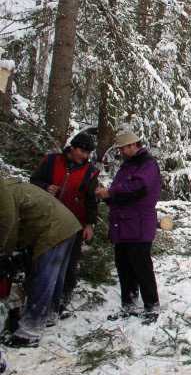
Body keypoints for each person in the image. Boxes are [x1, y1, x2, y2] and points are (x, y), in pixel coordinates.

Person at [0, 175, 81, 348]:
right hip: (66, 224)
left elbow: (9, 228)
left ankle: (31, 330)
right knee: (54, 277)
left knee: (43, 278)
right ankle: (49, 313)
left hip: (53, 229)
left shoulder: (4, 197)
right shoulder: (11, 188)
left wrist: (4, 255)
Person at [95, 129, 161, 325]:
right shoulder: (128, 165)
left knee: (141, 267)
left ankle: (151, 305)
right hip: (123, 223)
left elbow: (138, 188)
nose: (120, 152)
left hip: (138, 223)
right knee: (124, 266)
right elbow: (122, 191)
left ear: (133, 145)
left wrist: (111, 193)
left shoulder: (147, 164)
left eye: (123, 148)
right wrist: (109, 197)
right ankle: (129, 304)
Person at [30, 131, 99, 316]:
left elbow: (92, 200)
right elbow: (33, 181)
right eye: (82, 152)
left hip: (74, 223)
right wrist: (45, 187)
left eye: (88, 153)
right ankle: (37, 296)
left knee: (69, 264)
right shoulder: (52, 161)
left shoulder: (91, 172)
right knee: (42, 261)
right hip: (47, 220)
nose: (85, 156)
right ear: (72, 148)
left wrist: (89, 224)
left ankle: (61, 299)